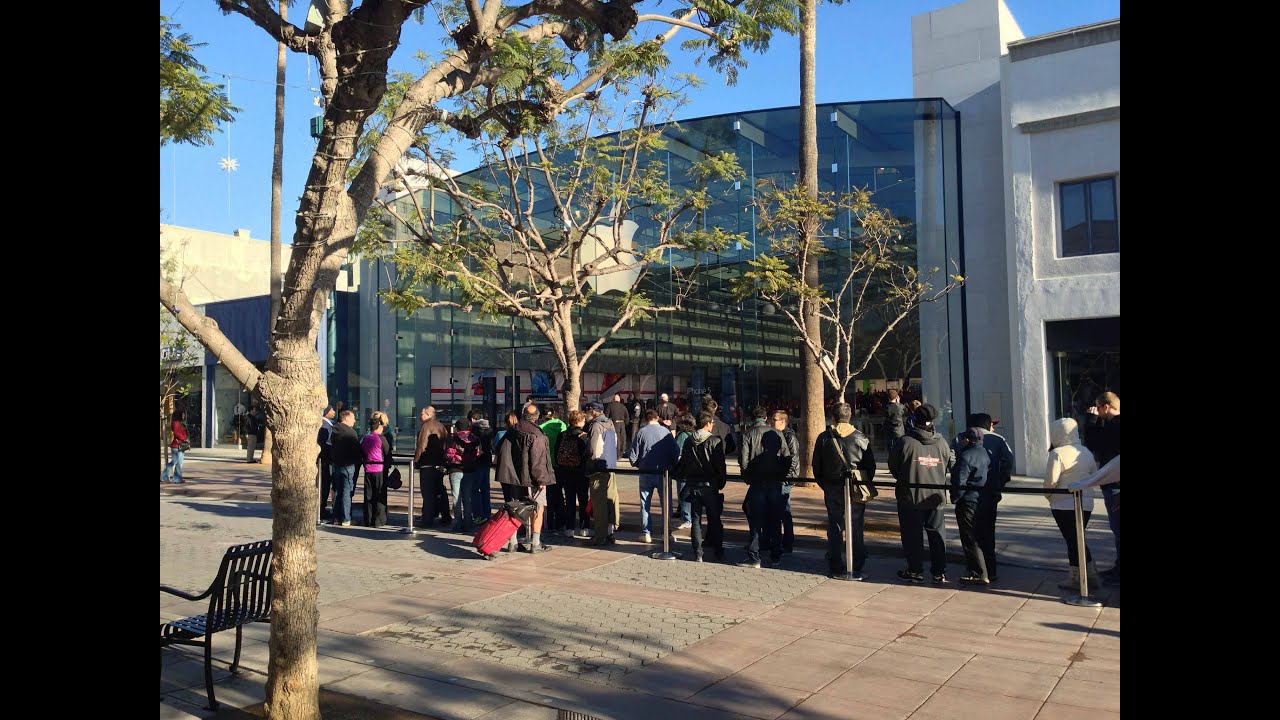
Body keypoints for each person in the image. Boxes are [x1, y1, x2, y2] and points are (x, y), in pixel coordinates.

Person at [889, 404, 953, 584]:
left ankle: (915, 570)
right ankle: (939, 571)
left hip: (911, 497)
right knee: (937, 534)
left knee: (912, 535)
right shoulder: (942, 442)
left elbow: (894, 467)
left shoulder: (905, 442)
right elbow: (949, 463)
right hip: (935, 496)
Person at [812, 403, 876, 579]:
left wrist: (825, 484)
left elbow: (816, 466)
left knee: (835, 525)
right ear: (850, 417)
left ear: (833, 418)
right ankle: (857, 563)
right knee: (856, 526)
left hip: (832, 487)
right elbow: (870, 466)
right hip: (855, 488)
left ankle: (835, 563)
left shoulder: (824, 438)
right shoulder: (860, 438)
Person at [954, 413, 1013, 583]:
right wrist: (999, 484)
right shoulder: (1000, 440)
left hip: (970, 495)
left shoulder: (961, 439)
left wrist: (956, 495)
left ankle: (977, 571)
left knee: (970, 534)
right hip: (990, 493)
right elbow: (1008, 463)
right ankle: (990, 569)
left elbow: (953, 462)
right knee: (988, 533)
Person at [738, 405, 798, 568]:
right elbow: (787, 458)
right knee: (775, 520)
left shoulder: (748, 434)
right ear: (765, 418)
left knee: (757, 519)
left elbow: (743, 461)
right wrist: (780, 475)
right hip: (774, 482)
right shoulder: (778, 434)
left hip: (758, 482)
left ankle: (754, 556)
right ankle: (775, 554)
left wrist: (748, 477)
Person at [1045, 417, 1100, 590]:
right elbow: (1094, 474)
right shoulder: (1085, 451)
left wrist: (1049, 496)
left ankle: (1083, 577)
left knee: (1073, 541)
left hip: (1063, 504)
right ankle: (1084, 575)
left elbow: (1050, 481)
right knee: (1077, 539)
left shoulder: (1057, 453)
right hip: (1086, 502)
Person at [495, 404, 556, 553]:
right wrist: (541, 480)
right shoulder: (537, 434)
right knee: (538, 508)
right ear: (537, 416)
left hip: (513, 477)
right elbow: (538, 461)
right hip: (532, 479)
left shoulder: (512, 430)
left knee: (515, 509)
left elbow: (499, 449)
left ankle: (513, 542)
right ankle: (535, 543)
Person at [674, 411, 727, 561]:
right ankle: (718, 550)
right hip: (710, 485)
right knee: (714, 519)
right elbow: (720, 465)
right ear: (708, 424)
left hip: (693, 484)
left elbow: (683, 463)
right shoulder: (715, 441)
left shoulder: (689, 441)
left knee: (696, 520)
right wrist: (721, 482)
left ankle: (698, 552)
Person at [1084, 392, 1120, 586]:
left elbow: (1093, 442)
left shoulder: (1115, 426)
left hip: (1115, 486)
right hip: (1114, 485)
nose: (1096, 410)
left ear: (1105, 407)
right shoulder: (1113, 426)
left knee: (1118, 529)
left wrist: (1091, 420)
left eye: (1097, 407)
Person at [628, 409, 681, 544]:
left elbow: (633, 456)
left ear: (646, 419)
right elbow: (675, 452)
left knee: (645, 503)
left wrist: (639, 463)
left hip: (646, 472)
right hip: (664, 472)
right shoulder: (666, 432)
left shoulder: (641, 432)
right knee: (666, 504)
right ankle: (666, 533)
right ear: (657, 418)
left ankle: (646, 533)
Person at [950, 429, 991, 584]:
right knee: (979, 535)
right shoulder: (984, 453)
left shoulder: (966, 456)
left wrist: (955, 498)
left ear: (967, 440)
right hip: (980, 499)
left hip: (967, 500)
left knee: (969, 537)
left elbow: (960, 481)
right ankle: (984, 570)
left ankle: (977, 572)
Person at [585, 402, 619, 545]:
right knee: (611, 500)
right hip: (611, 466)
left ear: (593, 411)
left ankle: (600, 535)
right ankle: (611, 532)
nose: (586, 414)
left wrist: (589, 461)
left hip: (598, 468)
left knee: (599, 503)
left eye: (587, 411)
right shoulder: (611, 424)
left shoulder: (595, 426)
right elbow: (616, 444)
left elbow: (594, 450)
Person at [555, 410, 592, 538]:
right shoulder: (583, 436)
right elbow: (587, 454)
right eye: (583, 420)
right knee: (583, 500)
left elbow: (556, 453)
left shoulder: (562, 435)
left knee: (569, 501)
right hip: (581, 472)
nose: (585, 422)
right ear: (578, 421)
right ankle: (584, 526)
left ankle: (569, 527)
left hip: (566, 471)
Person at [414, 406, 451, 528]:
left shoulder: (426, 426)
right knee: (440, 490)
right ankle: (445, 516)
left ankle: (427, 519)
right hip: (439, 464)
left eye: (422, 414)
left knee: (428, 493)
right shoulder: (441, 427)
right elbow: (447, 445)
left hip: (427, 464)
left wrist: (417, 462)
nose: (420, 416)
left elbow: (421, 446)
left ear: (428, 414)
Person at [328, 410, 362, 527]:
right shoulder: (350, 433)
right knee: (346, 492)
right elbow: (356, 450)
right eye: (353, 418)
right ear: (346, 418)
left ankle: (336, 516)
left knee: (337, 491)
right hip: (348, 465)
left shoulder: (334, 430)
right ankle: (346, 518)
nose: (354, 420)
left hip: (337, 464)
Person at [539, 409, 569, 537]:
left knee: (549, 496)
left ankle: (550, 523)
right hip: (562, 464)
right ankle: (561, 522)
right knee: (560, 495)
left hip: (548, 465)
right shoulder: (562, 425)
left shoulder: (541, 428)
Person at [360, 412, 392, 528]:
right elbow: (387, 453)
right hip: (379, 469)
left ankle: (368, 519)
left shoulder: (365, 438)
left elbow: (362, 452)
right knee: (379, 494)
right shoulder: (381, 439)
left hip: (368, 469)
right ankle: (379, 520)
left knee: (368, 495)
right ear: (379, 427)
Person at [466, 409, 495, 522]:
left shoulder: (474, 430)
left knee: (475, 489)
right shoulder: (489, 428)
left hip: (477, 461)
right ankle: (487, 514)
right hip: (486, 460)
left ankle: (478, 515)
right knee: (485, 489)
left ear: (473, 419)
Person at [672, 414, 697, 528]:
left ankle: (687, 519)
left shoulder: (682, 436)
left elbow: (677, 452)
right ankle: (690, 518)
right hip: (693, 469)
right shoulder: (694, 434)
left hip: (683, 469)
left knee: (683, 493)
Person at [317, 406, 336, 520]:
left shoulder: (328, 424)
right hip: (324, 461)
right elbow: (324, 444)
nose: (334, 412)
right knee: (323, 485)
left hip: (326, 460)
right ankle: (321, 509)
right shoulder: (325, 425)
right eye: (332, 410)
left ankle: (322, 507)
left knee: (325, 485)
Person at [161, 409, 189, 484]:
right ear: (179, 415)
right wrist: (183, 437)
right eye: (182, 414)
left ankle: (177, 479)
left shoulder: (181, 423)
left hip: (181, 445)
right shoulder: (176, 423)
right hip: (176, 445)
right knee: (175, 461)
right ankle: (164, 476)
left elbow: (184, 433)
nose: (184, 416)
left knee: (179, 462)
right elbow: (177, 434)